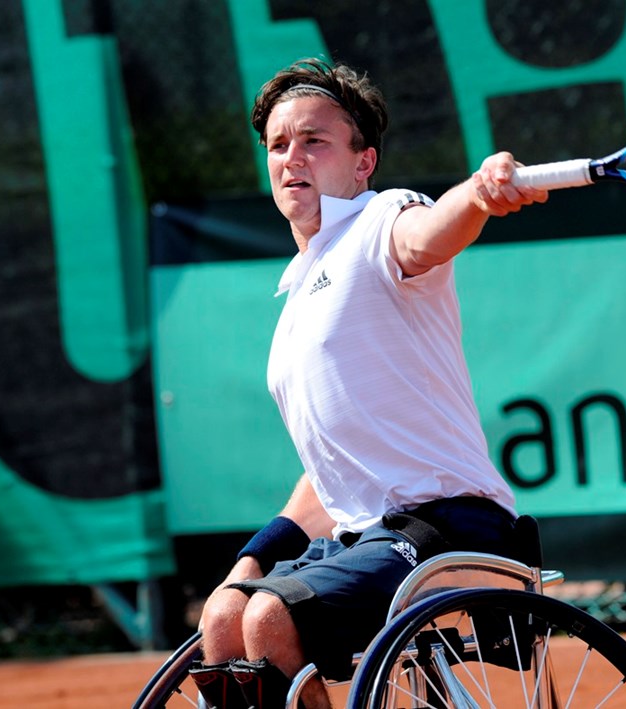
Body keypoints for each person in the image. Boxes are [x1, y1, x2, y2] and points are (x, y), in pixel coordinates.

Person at [193, 57, 548, 709]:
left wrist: (476, 195)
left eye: (314, 140)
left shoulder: (379, 220)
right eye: (278, 145)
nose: (291, 156)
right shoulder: (297, 296)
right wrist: (251, 558)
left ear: (363, 163)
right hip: (362, 537)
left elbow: (426, 238)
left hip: (451, 526)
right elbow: (329, 476)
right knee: (223, 617)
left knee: (270, 617)